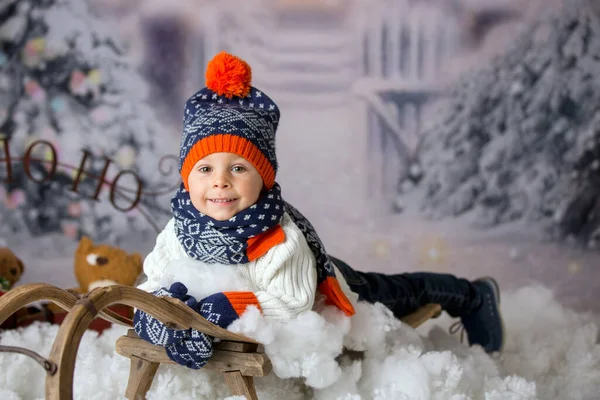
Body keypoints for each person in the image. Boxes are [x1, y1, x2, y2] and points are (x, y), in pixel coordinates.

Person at [133, 52, 504, 370]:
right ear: (187, 180)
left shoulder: (278, 238)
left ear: (263, 178)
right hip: (260, 296)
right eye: (205, 169)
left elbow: (290, 303)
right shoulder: (179, 231)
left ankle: (471, 295)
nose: (220, 182)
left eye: (239, 168)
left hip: (323, 283)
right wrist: (166, 316)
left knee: (401, 292)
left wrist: (219, 311)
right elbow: (153, 281)